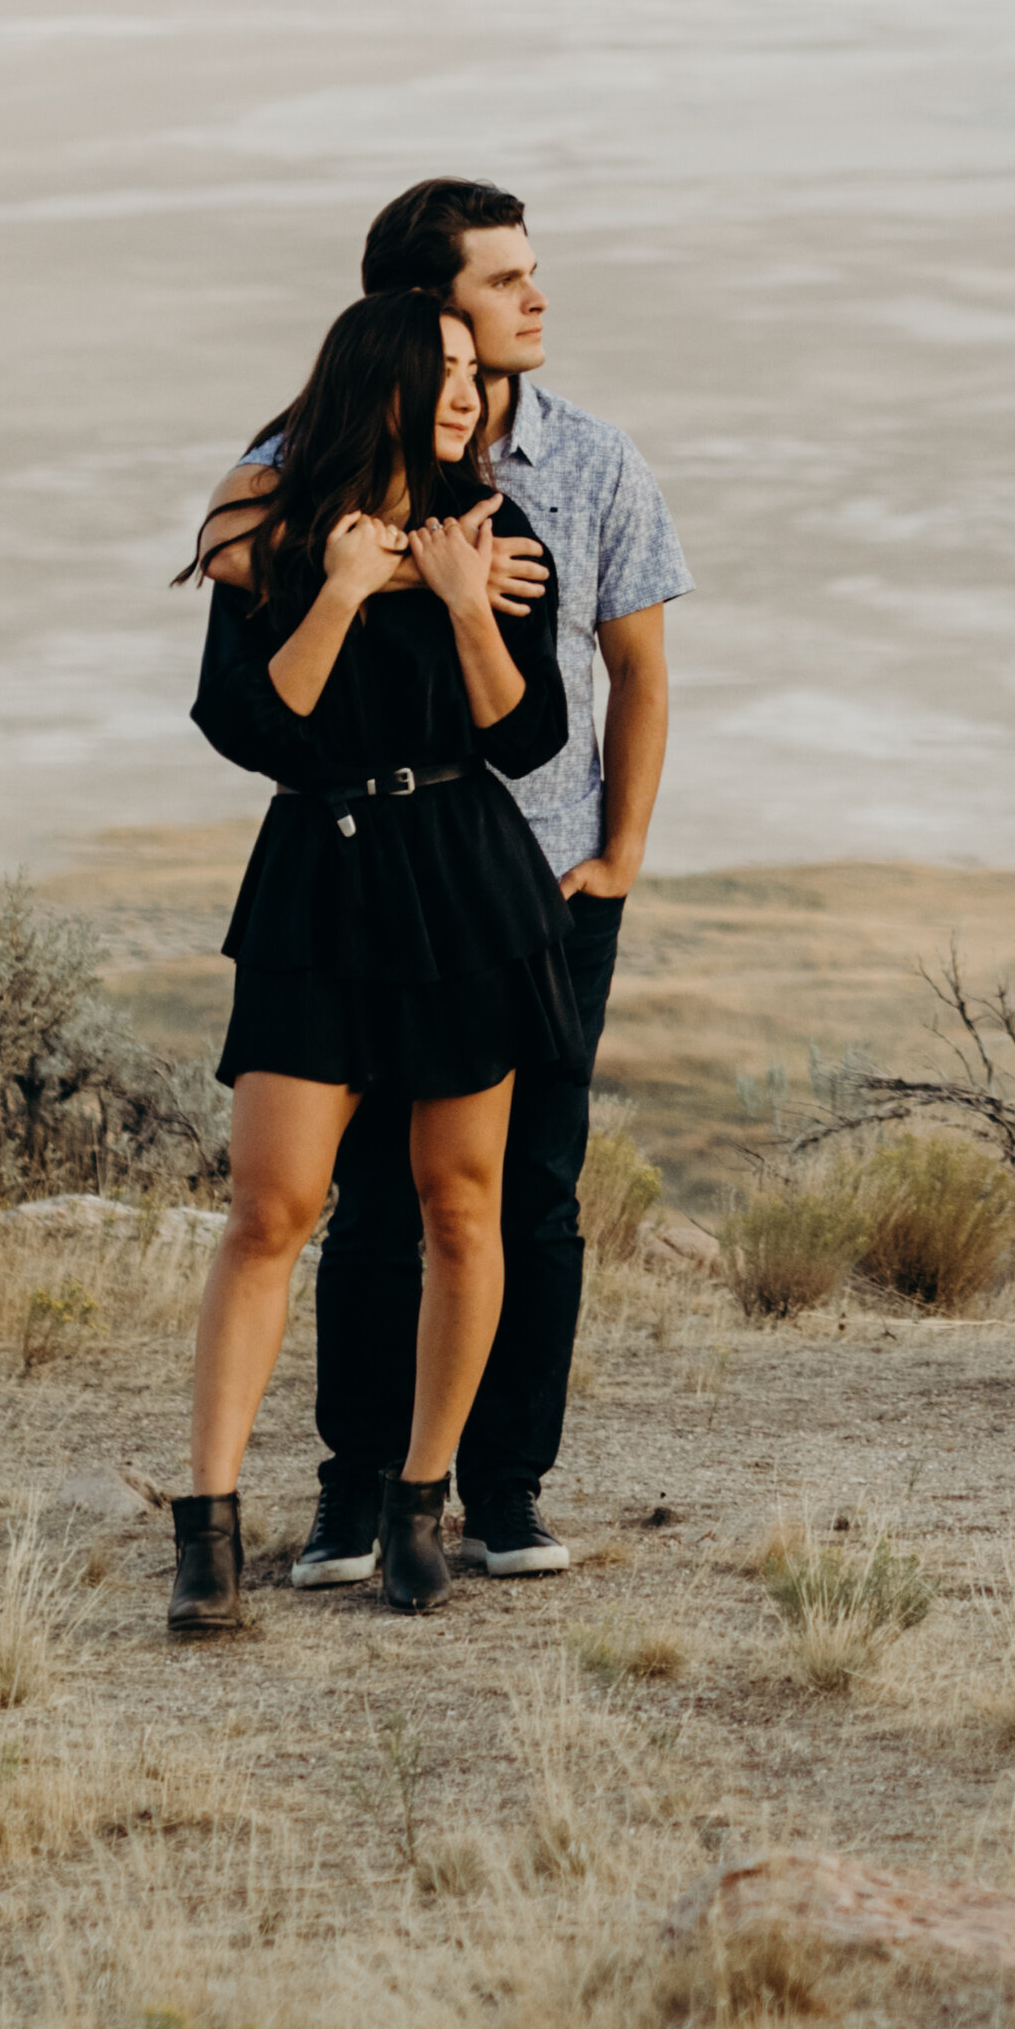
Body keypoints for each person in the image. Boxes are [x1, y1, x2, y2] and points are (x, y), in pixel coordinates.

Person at [192, 178, 689, 1585]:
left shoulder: (584, 467)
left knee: (523, 1194)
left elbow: (625, 671)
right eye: (502, 282)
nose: (533, 301)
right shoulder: (289, 474)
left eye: (533, 277)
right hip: (353, 882)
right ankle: (357, 1492)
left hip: (529, 883)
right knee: (357, 1205)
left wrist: (622, 851)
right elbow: (251, 677)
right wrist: (358, 569)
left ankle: (502, 1490)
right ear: (421, 310)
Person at [173, 289, 570, 1626]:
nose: (468, 390)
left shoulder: (496, 537)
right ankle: (208, 1532)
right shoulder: (280, 540)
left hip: (463, 876)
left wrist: (461, 602)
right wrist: (346, 585)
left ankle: (419, 1504)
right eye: (443, 368)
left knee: (463, 1203)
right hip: (318, 882)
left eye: (475, 370)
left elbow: (529, 739)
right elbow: (255, 725)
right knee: (272, 1207)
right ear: (381, 379)